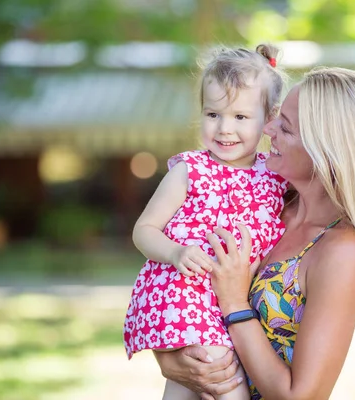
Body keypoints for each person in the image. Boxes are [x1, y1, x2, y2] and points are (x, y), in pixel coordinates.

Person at [154, 67, 355, 400]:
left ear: (326, 151)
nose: (268, 129)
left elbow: (299, 395)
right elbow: (182, 290)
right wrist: (173, 360)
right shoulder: (266, 205)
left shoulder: (343, 251)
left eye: (285, 127)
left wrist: (234, 303)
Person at [123, 44, 288, 400]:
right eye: (213, 114)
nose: (225, 129)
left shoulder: (275, 177)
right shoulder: (190, 170)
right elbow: (144, 229)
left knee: (184, 387)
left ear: (269, 117)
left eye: (241, 117)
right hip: (187, 294)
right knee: (222, 379)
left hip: (235, 302)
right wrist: (176, 252)